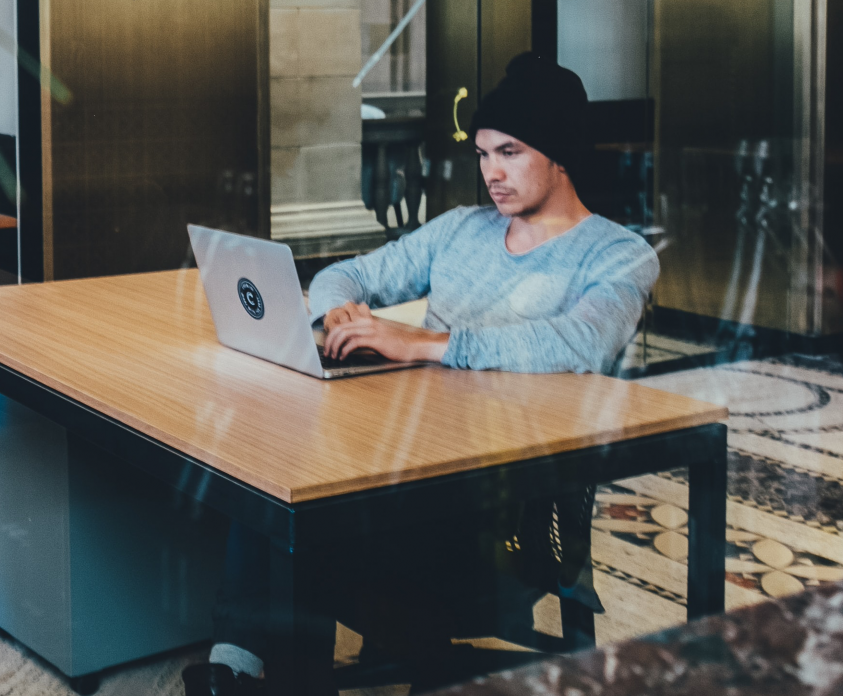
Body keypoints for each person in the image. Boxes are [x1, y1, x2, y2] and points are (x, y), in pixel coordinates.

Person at [181, 52, 660, 696]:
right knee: (275, 466)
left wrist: (426, 344)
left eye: (510, 153)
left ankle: (259, 675)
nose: (491, 172)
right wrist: (339, 310)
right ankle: (236, 667)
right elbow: (343, 275)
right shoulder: (463, 229)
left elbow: (581, 342)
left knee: (302, 518)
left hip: (500, 505)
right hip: (408, 460)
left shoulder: (618, 254)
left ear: (559, 153)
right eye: (484, 154)